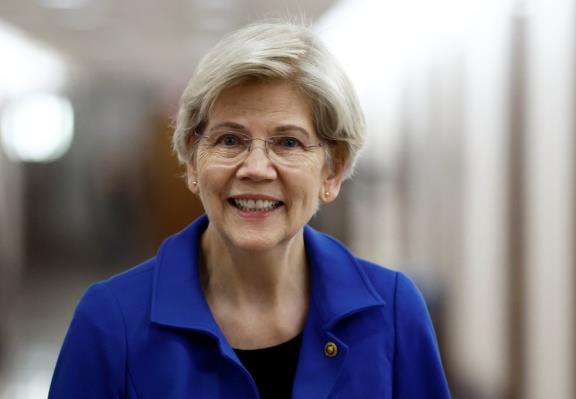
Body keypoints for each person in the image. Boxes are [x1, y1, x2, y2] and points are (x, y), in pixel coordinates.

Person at [49, 21, 450, 399]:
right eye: (229, 140)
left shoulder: (394, 312)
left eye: (288, 143)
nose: (256, 169)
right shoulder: (109, 320)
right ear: (192, 162)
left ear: (332, 171)